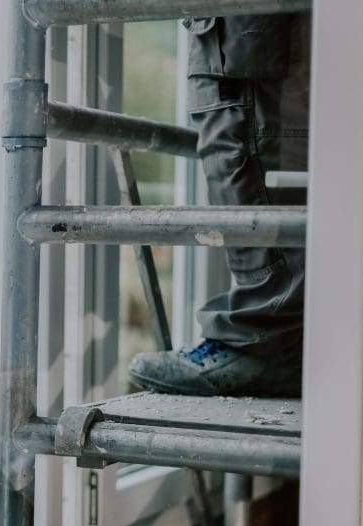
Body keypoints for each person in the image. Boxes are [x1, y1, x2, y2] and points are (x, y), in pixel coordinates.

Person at [129, 13, 311, 397]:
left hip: (245, 46)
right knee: (247, 165)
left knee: (245, 161)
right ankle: (273, 340)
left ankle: (262, 343)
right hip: (245, 43)